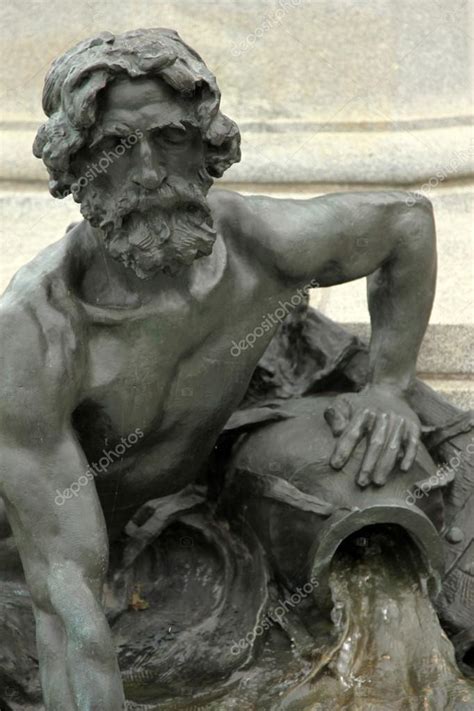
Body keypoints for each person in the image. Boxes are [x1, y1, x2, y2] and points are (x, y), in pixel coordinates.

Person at [0, 28, 437, 710]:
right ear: (76, 163)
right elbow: (67, 605)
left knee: (390, 482)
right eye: (115, 147)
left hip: (197, 499)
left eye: (170, 139)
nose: (146, 172)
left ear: (208, 147)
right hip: (55, 543)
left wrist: (388, 384)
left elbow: (407, 223)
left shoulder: (260, 246)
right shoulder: (37, 339)